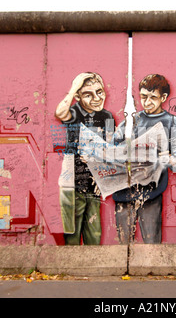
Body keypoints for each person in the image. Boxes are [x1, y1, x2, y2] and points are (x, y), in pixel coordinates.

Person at [112, 74, 176, 244]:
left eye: (153, 98)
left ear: (164, 98)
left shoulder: (171, 121)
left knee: (152, 242)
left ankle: (152, 269)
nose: (147, 102)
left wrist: (169, 159)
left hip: (153, 191)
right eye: (143, 97)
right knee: (123, 243)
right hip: (125, 189)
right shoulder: (132, 119)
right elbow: (111, 147)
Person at [55, 72, 115, 245]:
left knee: (94, 233)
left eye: (100, 91)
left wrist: (103, 177)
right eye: (88, 94)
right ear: (78, 96)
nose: (97, 98)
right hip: (72, 181)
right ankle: (71, 268)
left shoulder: (107, 117)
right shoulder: (74, 112)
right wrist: (74, 87)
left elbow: (109, 149)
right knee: (72, 233)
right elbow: (60, 112)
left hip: (94, 182)